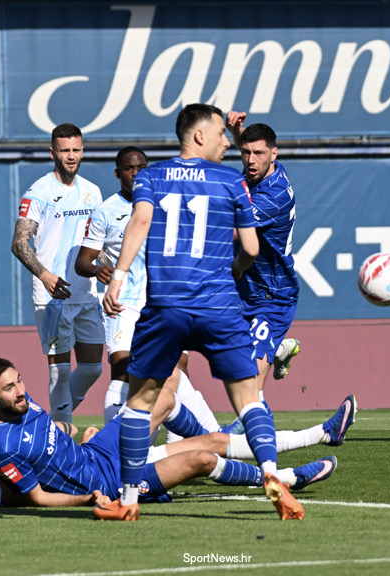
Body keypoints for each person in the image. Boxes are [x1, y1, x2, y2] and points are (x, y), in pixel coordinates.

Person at [101, 103, 302, 521]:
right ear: (198, 136)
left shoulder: (151, 176)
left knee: (140, 402)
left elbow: (139, 222)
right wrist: (233, 273)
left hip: (166, 307)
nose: (228, 142)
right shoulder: (232, 183)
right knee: (249, 399)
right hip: (219, 305)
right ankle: (271, 475)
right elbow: (248, 248)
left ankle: (128, 499)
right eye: (220, 135)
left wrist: (119, 277)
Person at [0, 359, 337, 513]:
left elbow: (53, 442)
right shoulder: (3, 446)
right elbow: (39, 498)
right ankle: (284, 479)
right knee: (203, 459)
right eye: (9, 388)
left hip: (98, 451)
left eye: (19, 381)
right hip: (109, 483)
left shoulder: (23, 401)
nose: (19, 391)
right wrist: (88, 499)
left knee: (162, 396)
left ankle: (224, 435)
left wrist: (77, 439)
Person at [75, 147, 222, 437]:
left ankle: (179, 440)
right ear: (118, 174)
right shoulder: (106, 212)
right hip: (123, 303)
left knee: (177, 368)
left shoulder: (167, 204)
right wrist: (96, 270)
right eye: (130, 168)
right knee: (122, 370)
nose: (137, 172)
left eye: (142, 166)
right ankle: (116, 446)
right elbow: (82, 261)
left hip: (163, 302)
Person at [11, 123, 104, 424]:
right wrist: (45, 276)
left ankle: (50, 423)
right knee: (60, 370)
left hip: (87, 292)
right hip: (53, 295)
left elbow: (98, 242)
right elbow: (19, 243)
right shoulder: (38, 192)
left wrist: (108, 267)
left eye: (76, 149)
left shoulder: (92, 192)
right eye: (65, 150)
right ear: (52, 152)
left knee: (93, 369)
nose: (72, 156)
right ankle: (61, 432)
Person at [222, 111, 305, 433]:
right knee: (233, 364)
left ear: (275, 153)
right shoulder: (254, 175)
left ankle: (243, 427)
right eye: (245, 152)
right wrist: (237, 132)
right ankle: (280, 349)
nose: (251, 160)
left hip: (273, 295)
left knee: (250, 377)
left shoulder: (275, 194)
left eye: (259, 153)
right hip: (241, 288)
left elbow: (233, 231)